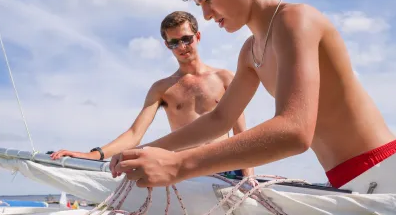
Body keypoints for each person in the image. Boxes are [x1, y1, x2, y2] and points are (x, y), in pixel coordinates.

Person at [110, 0, 396, 189]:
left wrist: (179, 165)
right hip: (344, 182)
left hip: (389, 171)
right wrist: (147, 151)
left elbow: (294, 130)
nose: (207, 15)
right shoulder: (249, 53)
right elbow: (219, 119)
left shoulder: (296, 20)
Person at [51, 10, 254, 179]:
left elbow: (241, 134)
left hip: (226, 169)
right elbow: (134, 134)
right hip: (186, 171)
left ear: (197, 37)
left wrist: (249, 178)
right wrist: (92, 155)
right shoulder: (162, 89)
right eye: (174, 43)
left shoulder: (225, 78)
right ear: (167, 45)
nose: (182, 47)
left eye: (186, 39)